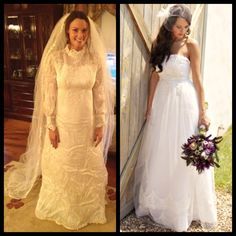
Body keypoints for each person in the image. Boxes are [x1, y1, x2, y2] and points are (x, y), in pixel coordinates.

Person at [5, 11, 115, 230]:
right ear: (67, 31)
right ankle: (61, 204)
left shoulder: (95, 60)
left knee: (86, 165)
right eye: (75, 30)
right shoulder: (55, 59)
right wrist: (51, 126)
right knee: (62, 164)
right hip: (63, 124)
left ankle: (86, 207)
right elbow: (49, 95)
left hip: (87, 124)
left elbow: (99, 95)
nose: (80, 35)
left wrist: (100, 124)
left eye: (84, 30)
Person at [133, 4, 217, 232]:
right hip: (162, 103)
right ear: (170, 25)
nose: (183, 30)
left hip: (184, 102)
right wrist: (149, 106)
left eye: (186, 26)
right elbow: (154, 77)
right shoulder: (160, 45)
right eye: (179, 26)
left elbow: (198, 80)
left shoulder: (191, 45)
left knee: (182, 152)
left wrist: (203, 110)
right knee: (162, 151)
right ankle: (159, 202)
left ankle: (181, 209)